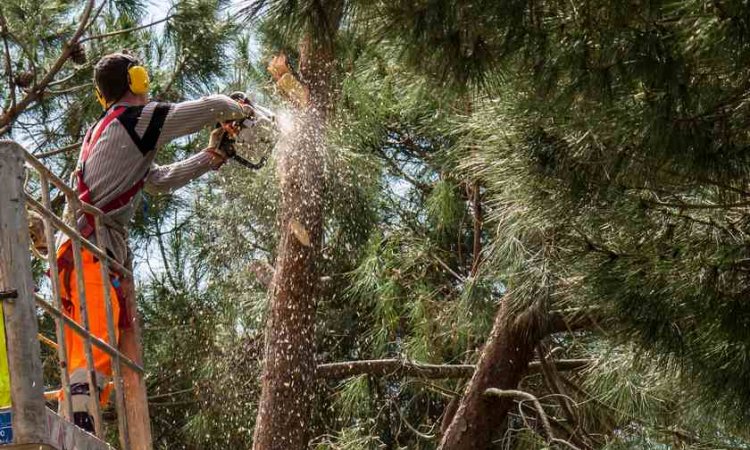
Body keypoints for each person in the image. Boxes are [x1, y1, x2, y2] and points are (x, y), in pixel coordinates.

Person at [56, 51, 253, 433]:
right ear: (136, 80)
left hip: (79, 249)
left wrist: (212, 155)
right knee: (95, 345)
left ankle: (74, 424)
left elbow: (159, 179)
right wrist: (239, 106)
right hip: (90, 248)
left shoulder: (109, 129)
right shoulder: (135, 119)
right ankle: (79, 430)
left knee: (83, 348)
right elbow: (207, 107)